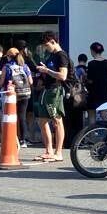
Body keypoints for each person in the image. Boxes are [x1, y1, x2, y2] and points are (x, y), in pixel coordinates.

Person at [34, 31, 69, 162]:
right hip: (47, 90)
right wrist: (45, 69)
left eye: (47, 44)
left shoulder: (61, 55)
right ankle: (49, 151)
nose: (46, 47)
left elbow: (63, 75)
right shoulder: (52, 55)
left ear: (53, 42)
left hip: (55, 90)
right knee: (42, 120)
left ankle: (58, 152)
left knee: (57, 121)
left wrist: (47, 70)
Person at [1, 48, 34, 148]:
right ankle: (23, 140)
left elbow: (1, 83)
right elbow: (31, 82)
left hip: (12, 94)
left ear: (9, 56)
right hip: (25, 94)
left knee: (10, 116)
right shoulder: (25, 66)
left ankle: (12, 137)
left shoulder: (7, 67)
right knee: (22, 117)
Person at [85, 42, 107, 126]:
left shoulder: (91, 64)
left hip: (93, 92)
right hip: (104, 91)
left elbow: (90, 80)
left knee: (91, 113)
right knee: (104, 113)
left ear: (92, 51)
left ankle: (92, 132)